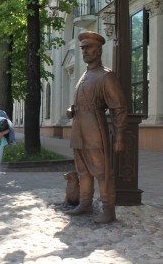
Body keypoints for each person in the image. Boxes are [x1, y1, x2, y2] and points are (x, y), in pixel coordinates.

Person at [65, 31, 127, 223]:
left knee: (102, 171)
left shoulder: (105, 76)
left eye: (88, 48)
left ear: (98, 51)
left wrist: (119, 136)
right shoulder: (84, 75)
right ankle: (85, 203)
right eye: (82, 48)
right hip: (79, 129)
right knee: (83, 170)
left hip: (94, 129)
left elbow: (119, 108)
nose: (84, 51)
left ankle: (108, 209)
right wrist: (71, 109)